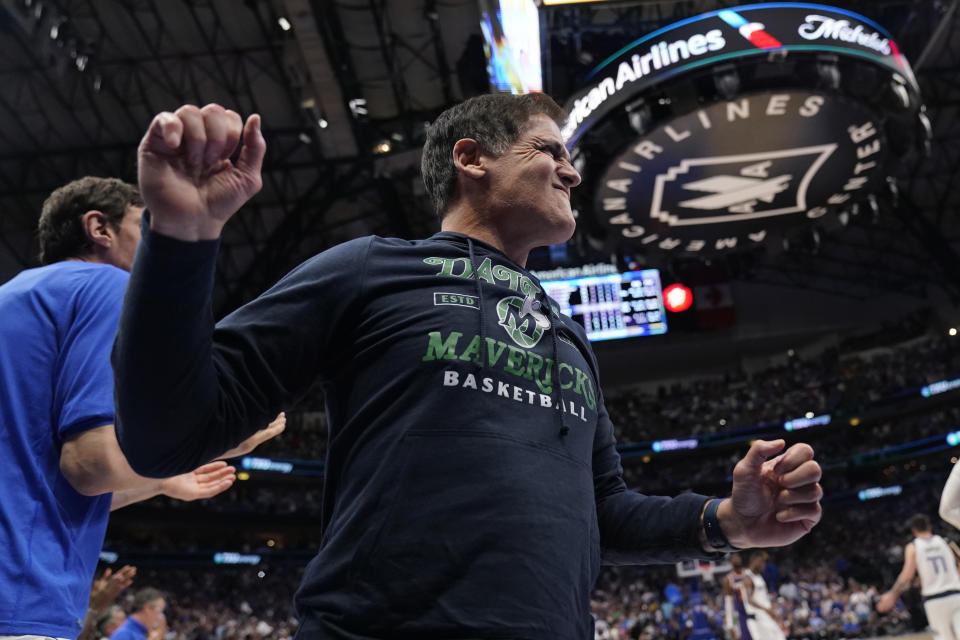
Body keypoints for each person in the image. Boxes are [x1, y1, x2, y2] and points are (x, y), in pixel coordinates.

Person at [113, 95, 823, 637]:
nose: (574, 171)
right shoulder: (371, 270)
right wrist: (182, 238)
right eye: (549, 150)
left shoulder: (570, 337)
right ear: (472, 158)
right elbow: (166, 436)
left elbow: (601, 514)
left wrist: (725, 520)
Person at [0, 177, 285, 640]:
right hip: (21, 602)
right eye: (144, 226)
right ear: (99, 228)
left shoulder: (14, 297)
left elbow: (48, 489)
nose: (155, 243)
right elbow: (88, 467)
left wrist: (161, 481)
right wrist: (217, 440)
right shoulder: (107, 284)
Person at [877, 513, 960, 639]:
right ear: (929, 527)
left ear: (914, 530)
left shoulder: (913, 546)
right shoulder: (946, 542)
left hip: (935, 599)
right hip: (956, 594)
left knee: (944, 637)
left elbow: (907, 575)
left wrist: (892, 595)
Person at [741, 551, 786, 640]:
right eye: (762, 561)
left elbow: (762, 599)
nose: (764, 565)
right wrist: (766, 609)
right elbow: (749, 600)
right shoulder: (748, 577)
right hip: (758, 619)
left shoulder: (759, 576)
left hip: (766, 617)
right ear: (754, 561)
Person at [723, 554, 752, 640]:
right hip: (740, 610)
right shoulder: (728, 579)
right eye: (734, 559)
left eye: (738, 558)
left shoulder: (748, 573)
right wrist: (729, 621)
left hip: (752, 607)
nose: (736, 560)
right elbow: (728, 600)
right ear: (731, 563)